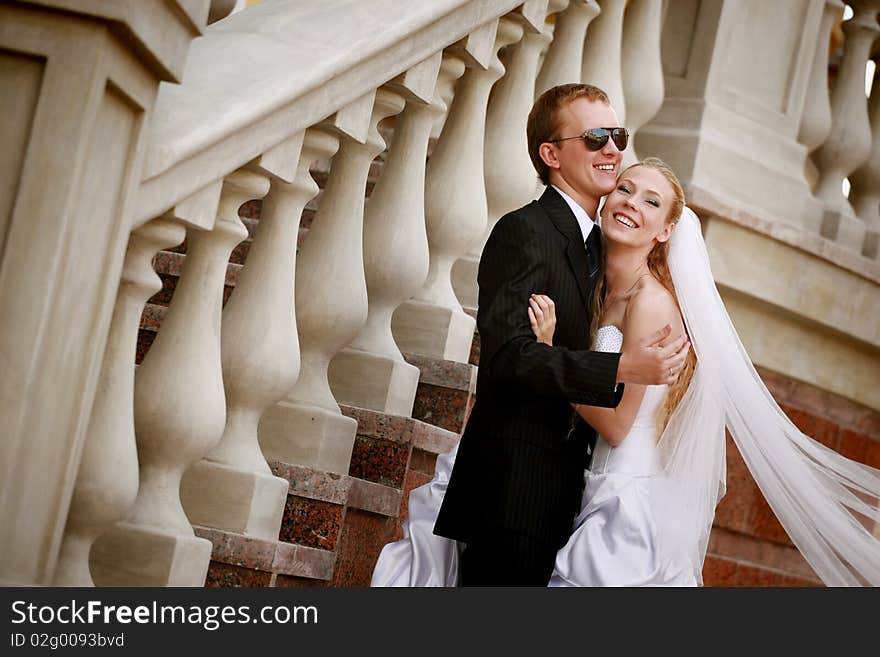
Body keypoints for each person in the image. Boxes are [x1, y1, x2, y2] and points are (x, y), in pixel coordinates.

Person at [372, 156, 880, 587]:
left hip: (623, 492)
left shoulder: (652, 305)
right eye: (625, 188)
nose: (631, 203)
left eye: (651, 202)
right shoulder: (596, 287)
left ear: (665, 232)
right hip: (580, 479)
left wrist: (548, 351)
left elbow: (617, 423)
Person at [432, 83, 690, 586]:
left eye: (617, 135)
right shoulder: (525, 231)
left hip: (572, 497)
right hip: (515, 494)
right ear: (551, 154)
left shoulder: (605, 258)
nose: (612, 149)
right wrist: (619, 367)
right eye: (595, 137)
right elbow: (508, 357)